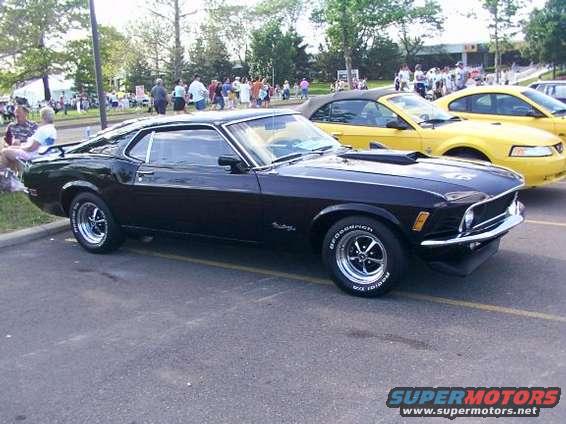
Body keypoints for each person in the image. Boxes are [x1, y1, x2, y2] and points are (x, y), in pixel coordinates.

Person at [0, 107, 56, 176]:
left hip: (34, 154)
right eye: (15, 112)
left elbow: (31, 148)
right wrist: (17, 146)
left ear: (42, 117)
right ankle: (14, 175)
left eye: (19, 112)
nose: (16, 114)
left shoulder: (42, 130)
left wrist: (19, 147)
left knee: (4, 152)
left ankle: (5, 176)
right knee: (10, 149)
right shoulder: (51, 129)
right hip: (41, 152)